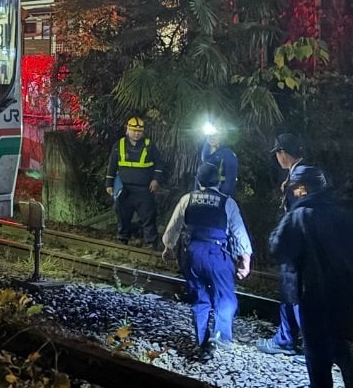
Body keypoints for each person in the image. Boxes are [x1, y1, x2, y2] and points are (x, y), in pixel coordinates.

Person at [269, 165, 353, 388]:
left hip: (312, 292)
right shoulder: (344, 215)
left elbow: (278, 249)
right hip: (343, 291)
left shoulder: (298, 216)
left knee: (316, 351)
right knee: (339, 343)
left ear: (302, 189)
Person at [162, 162, 252, 356]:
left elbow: (173, 227)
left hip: (192, 254)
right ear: (218, 182)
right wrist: (245, 261)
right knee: (225, 297)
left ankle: (201, 340)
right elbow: (239, 233)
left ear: (199, 181)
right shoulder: (227, 202)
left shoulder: (187, 199)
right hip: (216, 254)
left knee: (200, 297)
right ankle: (221, 339)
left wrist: (168, 248)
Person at [256, 133, 306, 357]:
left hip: (297, 248)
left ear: (282, 153)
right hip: (300, 247)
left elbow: (300, 209)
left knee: (293, 295)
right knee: (291, 294)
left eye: (277, 153)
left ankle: (303, 345)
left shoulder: (299, 179)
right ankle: (287, 339)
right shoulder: (301, 174)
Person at [105, 115, 167, 249]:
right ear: (128, 130)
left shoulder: (149, 146)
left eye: (139, 131)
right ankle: (122, 240)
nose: (136, 133)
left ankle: (151, 243)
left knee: (148, 217)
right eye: (134, 130)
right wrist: (109, 184)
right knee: (123, 216)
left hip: (144, 189)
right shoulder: (119, 145)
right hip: (124, 189)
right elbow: (112, 165)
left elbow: (159, 164)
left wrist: (155, 179)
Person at [194, 122, 238, 197]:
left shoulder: (228, 154)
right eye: (210, 135)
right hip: (202, 195)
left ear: (222, 136)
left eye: (215, 135)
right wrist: (196, 194)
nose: (212, 137)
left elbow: (230, 179)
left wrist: (222, 198)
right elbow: (199, 176)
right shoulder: (203, 153)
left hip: (219, 194)